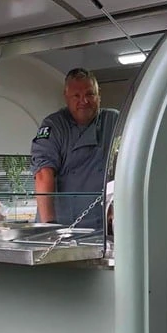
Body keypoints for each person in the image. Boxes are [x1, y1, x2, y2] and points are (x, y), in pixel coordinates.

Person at [30, 68, 118, 226]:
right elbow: (43, 174)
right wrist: (49, 227)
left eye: (90, 94)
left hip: (102, 226)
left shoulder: (114, 121)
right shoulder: (54, 126)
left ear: (99, 96)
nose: (84, 101)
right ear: (66, 98)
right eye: (76, 96)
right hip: (63, 226)